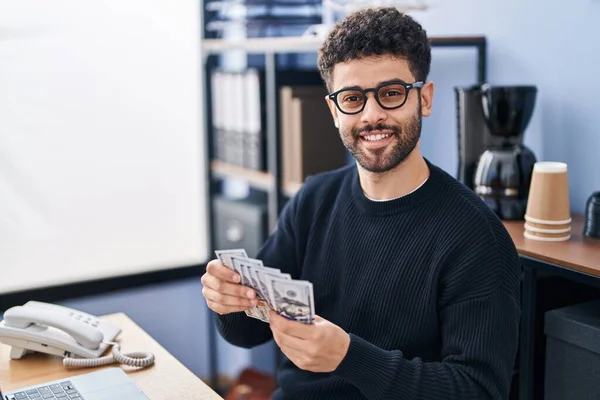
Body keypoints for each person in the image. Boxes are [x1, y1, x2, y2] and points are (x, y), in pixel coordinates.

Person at [201, 6, 521, 400]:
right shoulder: (313, 200)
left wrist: (349, 357)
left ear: (425, 98)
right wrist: (227, 302)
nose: (372, 116)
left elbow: (479, 391)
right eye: (352, 98)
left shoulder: (475, 237)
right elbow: (248, 331)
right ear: (334, 111)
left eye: (390, 94)